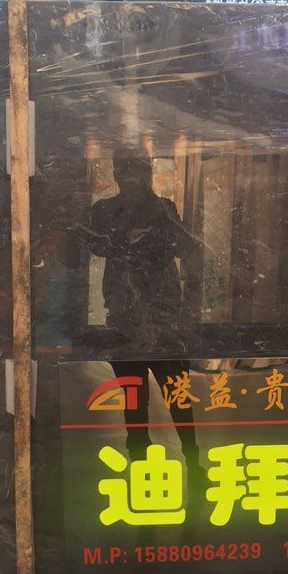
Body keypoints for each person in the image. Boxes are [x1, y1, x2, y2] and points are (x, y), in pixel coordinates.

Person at [82, 148, 203, 484]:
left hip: (163, 320)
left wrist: (151, 232)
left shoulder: (164, 208)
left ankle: (194, 464)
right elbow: (93, 244)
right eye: (127, 171)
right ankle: (141, 469)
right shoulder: (105, 210)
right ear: (116, 175)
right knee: (135, 402)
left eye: (139, 170)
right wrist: (125, 236)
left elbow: (186, 246)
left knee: (178, 397)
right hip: (126, 320)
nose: (133, 178)